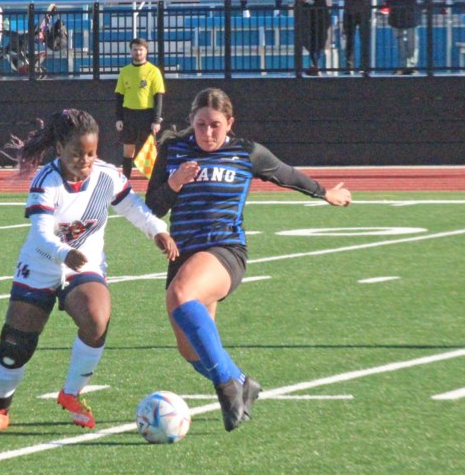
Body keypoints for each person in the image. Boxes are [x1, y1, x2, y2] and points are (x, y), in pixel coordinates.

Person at [144, 88, 351, 432]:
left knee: (182, 296)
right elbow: (153, 207)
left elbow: (285, 174)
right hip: (184, 255)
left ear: (230, 123)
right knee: (191, 351)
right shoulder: (173, 149)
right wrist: (173, 183)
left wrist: (324, 192)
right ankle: (242, 382)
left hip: (225, 252)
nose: (208, 133)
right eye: (200, 125)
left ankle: (226, 388)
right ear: (191, 123)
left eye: (215, 125)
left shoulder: (245, 152)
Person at [0, 109, 179, 435]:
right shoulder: (47, 180)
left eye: (91, 153)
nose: (85, 160)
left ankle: (71, 393)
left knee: (97, 318)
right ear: (59, 149)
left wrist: (158, 230)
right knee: (16, 343)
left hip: (84, 266)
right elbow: (42, 234)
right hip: (42, 264)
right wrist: (64, 252)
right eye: (76, 153)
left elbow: (134, 207)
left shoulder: (107, 175)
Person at [115, 38, 165, 179]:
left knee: (149, 151)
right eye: (135, 49)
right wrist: (119, 118)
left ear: (146, 51)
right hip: (129, 115)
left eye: (141, 49)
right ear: (131, 51)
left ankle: (153, 180)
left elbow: (158, 97)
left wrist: (156, 120)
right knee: (128, 149)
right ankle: (125, 181)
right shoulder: (125, 71)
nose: (138, 52)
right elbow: (119, 96)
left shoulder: (153, 71)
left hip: (147, 115)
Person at [290, 0, 332, 76]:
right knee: (307, 38)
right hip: (304, 11)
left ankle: (315, 64)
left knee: (319, 38)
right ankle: (312, 64)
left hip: (320, 10)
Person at [331, 0, 372, 75]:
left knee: (364, 40)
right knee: (349, 40)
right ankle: (349, 67)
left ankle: (365, 67)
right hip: (349, 12)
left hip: (363, 11)